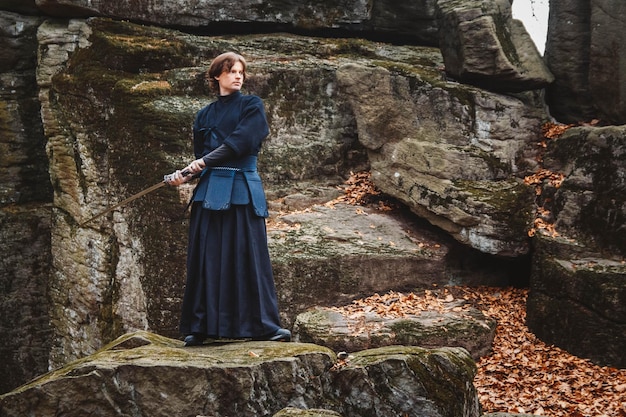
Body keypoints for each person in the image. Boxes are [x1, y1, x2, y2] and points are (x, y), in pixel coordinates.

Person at [165, 52, 291, 346]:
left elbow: (241, 142)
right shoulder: (204, 115)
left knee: (248, 256)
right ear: (216, 76)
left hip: (242, 191)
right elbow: (201, 161)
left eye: (241, 72)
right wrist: (183, 175)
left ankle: (264, 326)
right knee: (206, 259)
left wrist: (203, 162)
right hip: (209, 193)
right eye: (231, 71)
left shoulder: (251, 106)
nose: (238, 76)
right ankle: (201, 326)